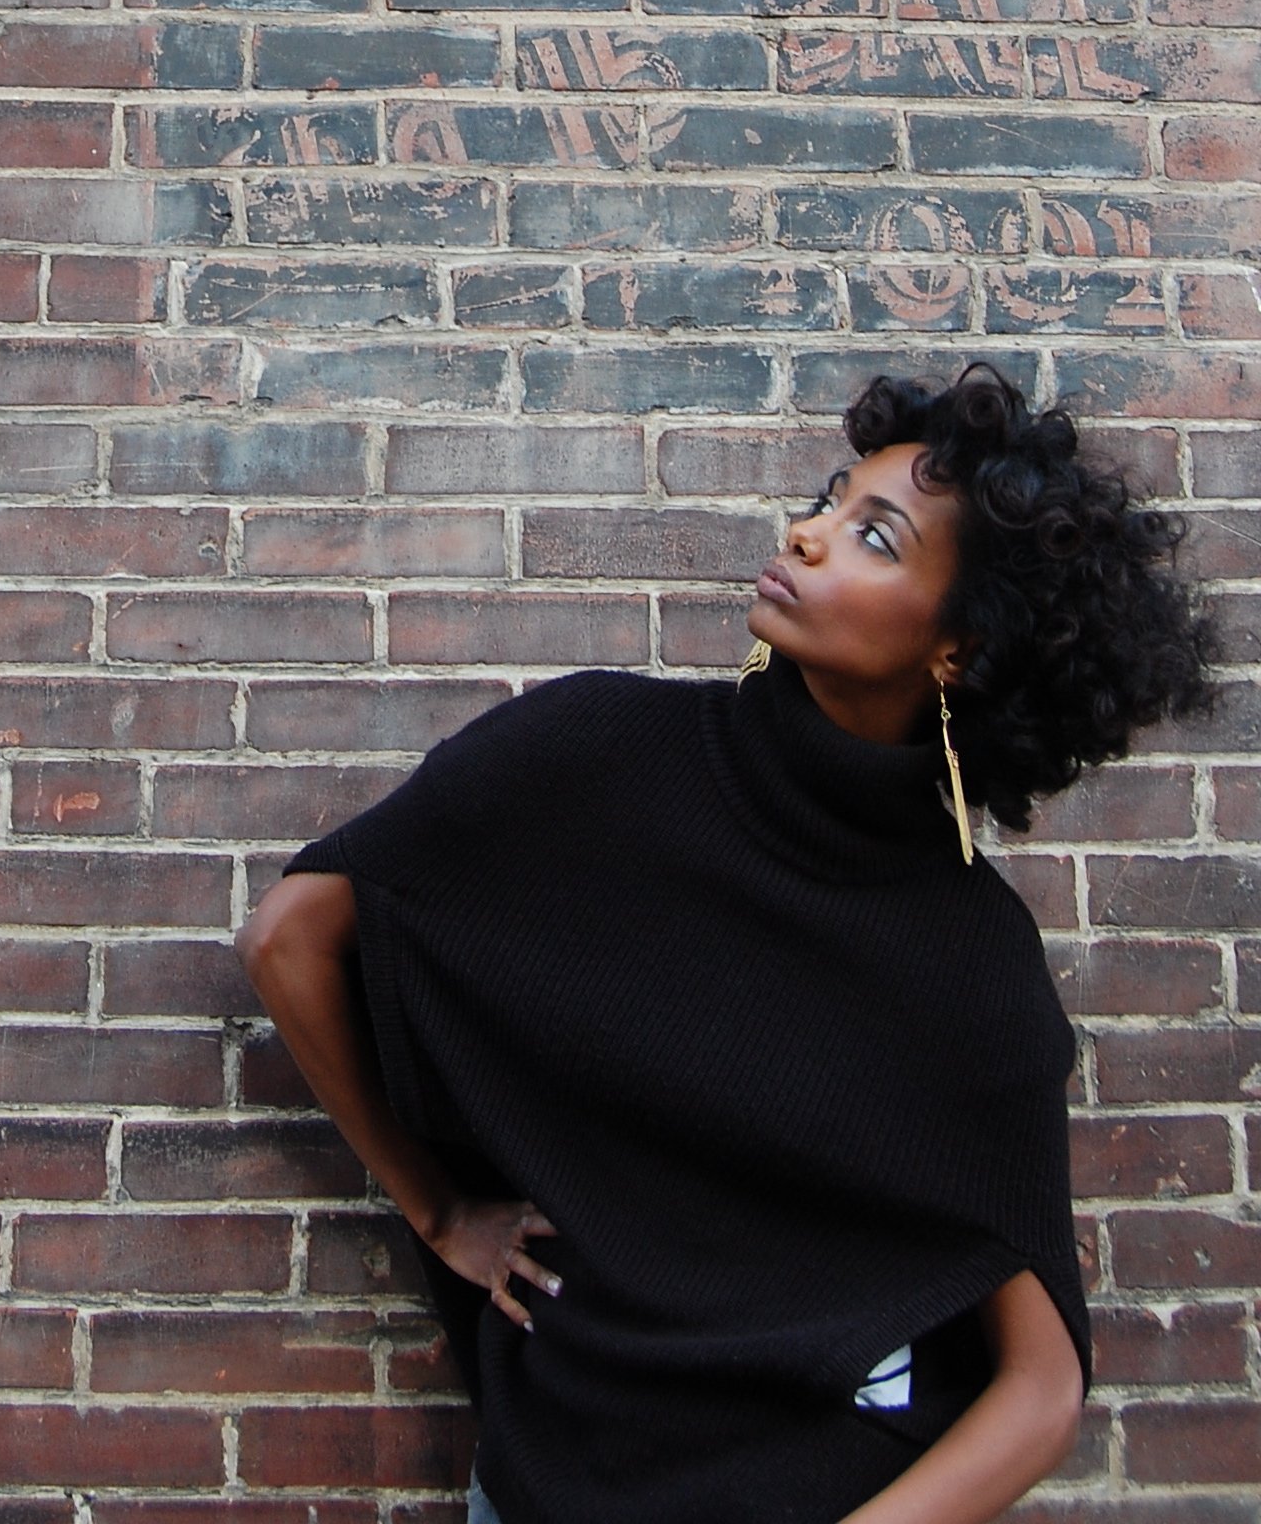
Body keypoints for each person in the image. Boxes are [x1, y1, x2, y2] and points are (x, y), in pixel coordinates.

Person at [237, 364, 1215, 1524]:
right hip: (555, 1487)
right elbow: (289, 936)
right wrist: (441, 1211)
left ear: (954, 648)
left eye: (874, 536)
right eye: (825, 499)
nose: (804, 533)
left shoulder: (969, 960)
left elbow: (1039, 1385)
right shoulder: (586, 753)